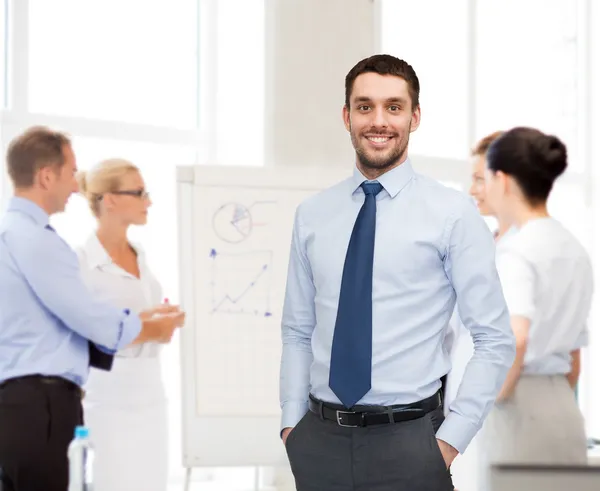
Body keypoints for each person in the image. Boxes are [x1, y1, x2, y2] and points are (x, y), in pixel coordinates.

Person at [279, 54, 516, 491]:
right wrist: (292, 425)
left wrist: (450, 440)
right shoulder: (312, 215)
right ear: (347, 116)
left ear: (415, 116)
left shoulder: (452, 214)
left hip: (411, 444)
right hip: (318, 442)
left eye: (394, 107)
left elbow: (493, 337)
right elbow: (297, 330)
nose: (379, 121)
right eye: (365, 106)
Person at [0, 126, 185, 491]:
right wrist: (147, 328)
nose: (75, 185)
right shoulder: (37, 241)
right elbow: (87, 317)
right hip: (44, 403)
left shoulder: (14, 232)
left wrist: (140, 321)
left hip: (37, 401)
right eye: (70, 173)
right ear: (46, 176)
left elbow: (59, 320)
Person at [480, 127, 592, 482]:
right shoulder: (573, 247)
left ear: (503, 180)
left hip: (518, 410)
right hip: (563, 405)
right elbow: (575, 356)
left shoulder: (515, 251)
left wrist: (490, 398)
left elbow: (517, 337)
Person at [75, 158, 169, 491]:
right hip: (108, 395)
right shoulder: (81, 264)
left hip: (151, 391)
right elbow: (82, 335)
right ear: (110, 200)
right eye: (140, 192)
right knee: (113, 481)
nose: (149, 201)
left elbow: (134, 314)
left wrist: (161, 320)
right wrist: (150, 328)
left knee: (153, 480)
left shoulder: (140, 253)